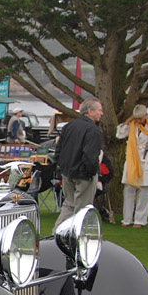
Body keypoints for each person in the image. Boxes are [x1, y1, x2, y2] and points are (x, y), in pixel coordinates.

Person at [53, 98, 103, 228]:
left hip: (68, 172)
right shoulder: (92, 129)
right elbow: (90, 155)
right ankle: (75, 236)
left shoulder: (69, 126)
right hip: (84, 174)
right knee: (82, 209)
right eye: (99, 110)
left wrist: (63, 167)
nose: (101, 113)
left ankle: (57, 233)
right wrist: (91, 172)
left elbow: (58, 151)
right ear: (90, 111)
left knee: (69, 204)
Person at [116, 104, 148, 227]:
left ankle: (140, 220)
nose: (138, 121)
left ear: (145, 116)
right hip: (132, 159)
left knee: (145, 191)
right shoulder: (132, 125)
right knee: (129, 189)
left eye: (140, 118)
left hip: (147, 159)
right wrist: (128, 121)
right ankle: (127, 219)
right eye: (136, 118)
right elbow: (119, 134)